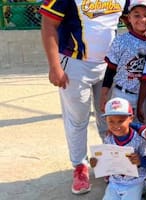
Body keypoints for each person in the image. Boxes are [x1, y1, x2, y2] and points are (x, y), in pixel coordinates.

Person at [40, 0, 130, 194]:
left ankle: (110, 162)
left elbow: (133, 15)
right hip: (74, 63)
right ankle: (79, 167)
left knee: (108, 116)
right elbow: (48, 23)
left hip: (109, 65)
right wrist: (54, 65)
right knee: (77, 119)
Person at [89, 97, 146, 200]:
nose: (116, 125)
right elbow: (106, 160)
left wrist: (140, 161)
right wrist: (96, 162)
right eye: (111, 121)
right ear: (106, 120)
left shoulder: (139, 139)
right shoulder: (108, 138)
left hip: (136, 181)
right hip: (115, 181)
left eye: (121, 121)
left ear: (130, 119)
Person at [100, 0, 146, 119]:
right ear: (129, 18)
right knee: (121, 131)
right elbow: (111, 69)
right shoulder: (120, 40)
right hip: (122, 94)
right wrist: (104, 94)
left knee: (145, 133)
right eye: (136, 15)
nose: (142, 19)